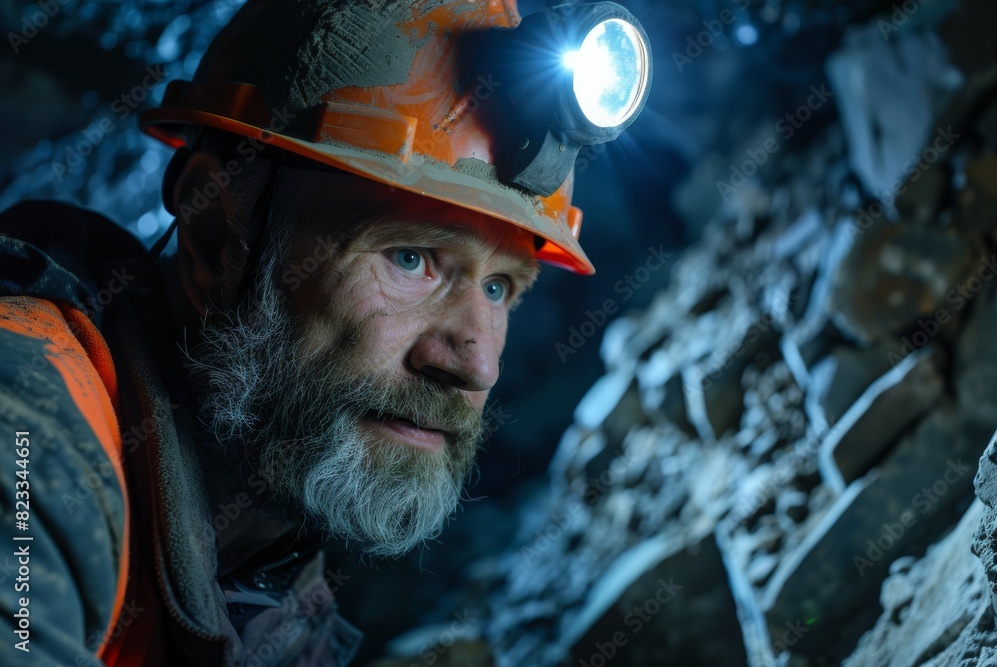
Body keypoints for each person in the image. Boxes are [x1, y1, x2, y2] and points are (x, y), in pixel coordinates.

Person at [0, 0, 650, 663]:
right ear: (215, 233)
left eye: (498, 286)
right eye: (411, 257)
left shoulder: (269, 575)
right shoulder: (27, 433)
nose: (475, 362)